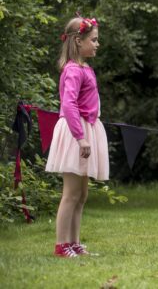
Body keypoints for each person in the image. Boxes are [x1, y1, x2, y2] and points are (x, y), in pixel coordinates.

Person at [45, 16, 108, 257]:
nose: (97, 44)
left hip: (85, 128)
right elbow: (69, 105)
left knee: (82, 194)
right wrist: (81, 138)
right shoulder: (72, 70)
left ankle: (74, 243)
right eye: (94, 40)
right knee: (71, 194)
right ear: (78, 41)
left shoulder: (86, 68)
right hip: (75, 133)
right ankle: (61, 245)